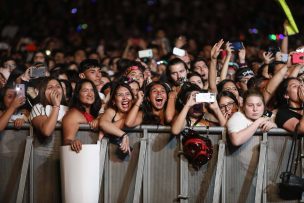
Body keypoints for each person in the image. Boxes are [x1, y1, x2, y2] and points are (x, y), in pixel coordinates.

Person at [62, 79, 102, 153]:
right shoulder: (74, 114)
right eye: (85, 91)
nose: (90, 94)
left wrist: (99, 118)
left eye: (92, 90)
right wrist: (73, 142)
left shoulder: (96, 112)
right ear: (77, 94)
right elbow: (66, 140)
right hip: (81, 156)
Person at [99, 82, 134, 154]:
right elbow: (103, 123)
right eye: (120, 95)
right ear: (114, 101)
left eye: (127, 94)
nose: (125, 98)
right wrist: (124, 135)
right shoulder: (111, 111)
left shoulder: (137, 112)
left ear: (133, 99)